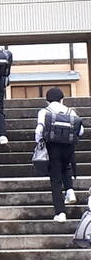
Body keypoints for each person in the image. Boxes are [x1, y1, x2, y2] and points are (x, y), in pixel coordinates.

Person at [35, 87, 84, 222]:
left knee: (55, 179)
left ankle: (60, 213)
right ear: (62, 99)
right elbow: (80, 131)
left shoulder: (45, 112)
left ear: (47, 101)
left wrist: (39, 143)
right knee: (66, 166)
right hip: (68, 147)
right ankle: (70, 190)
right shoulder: (70, 111)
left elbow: (39, 130)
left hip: (52, 147)